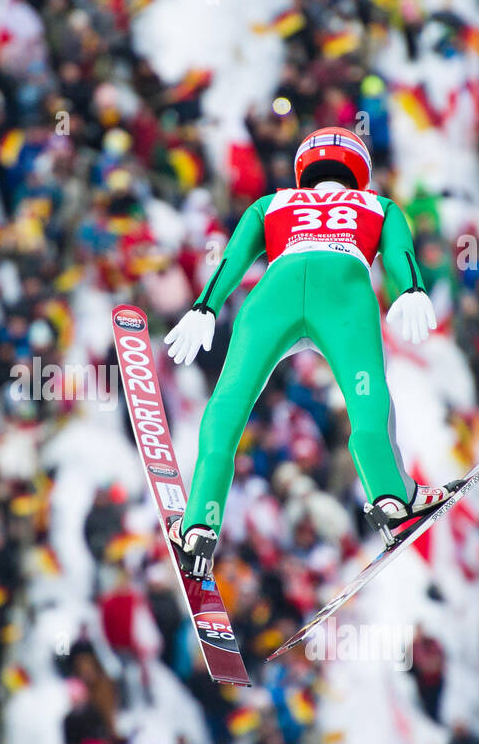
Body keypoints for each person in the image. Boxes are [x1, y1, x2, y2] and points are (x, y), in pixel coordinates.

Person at [163, 127, 459, 577]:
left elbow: (233, 256)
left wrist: (205, 306)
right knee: (367, 401)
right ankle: (390, 498)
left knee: (228, 402)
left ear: (304, 166)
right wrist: (412, 289)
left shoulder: (273, 202)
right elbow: (400, 251)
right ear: (359, 168)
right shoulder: (379, 204)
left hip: (273, 296)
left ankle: (199, 522)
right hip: (344, 294)